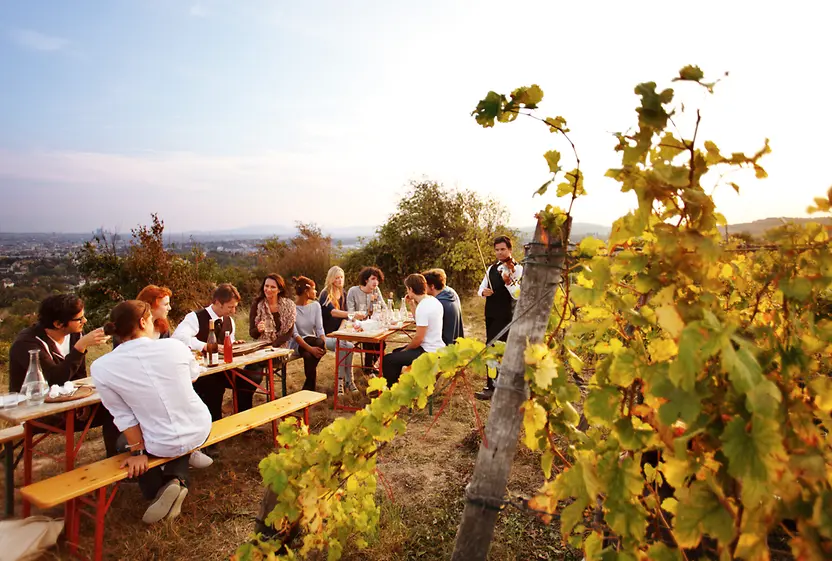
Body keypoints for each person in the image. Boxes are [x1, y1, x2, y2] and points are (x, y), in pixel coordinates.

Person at [92, 300, 212, 524]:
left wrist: (137, 453)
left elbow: (123, 416)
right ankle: (177, 479)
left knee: (122, 445)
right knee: (175, 437)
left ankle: (158, 489)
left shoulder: (101, 367)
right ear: (143, 321)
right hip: (200, 427)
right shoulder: (175, 346)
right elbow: (193, 374)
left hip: (161, 442)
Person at [9, 294, 119, 457]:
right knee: (114, 409)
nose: (85, 321)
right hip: (39, 410)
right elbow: (55, 379)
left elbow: (78, 376)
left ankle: (117, 459)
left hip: (70, 403)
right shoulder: (28, 344)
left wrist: (84, 402)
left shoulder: (74, 334)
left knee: (118, 404)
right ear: (58, 323)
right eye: (79, 319)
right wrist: (80, 347)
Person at [172, 284, 254, 429]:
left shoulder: (230, 321)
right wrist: (204, 346)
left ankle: (244, 423)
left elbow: (227, 341)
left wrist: (234, 344)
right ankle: (214, 430)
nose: (234, 311)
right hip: (201, 372)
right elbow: (178, 338)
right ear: (217, 302)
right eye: (230, 307)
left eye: (235, 307)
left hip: (222, 368)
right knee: (214, 388)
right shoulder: (195, 317)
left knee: (249, 381)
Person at [475, 235, 523, 401]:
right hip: (491, 313)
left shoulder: (517, 269)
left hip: (507, 315)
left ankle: (501, 386)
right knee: (490, 348)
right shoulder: (491, 268)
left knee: (502, 350)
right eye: (497, 250)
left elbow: (517, 295)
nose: (500, 253)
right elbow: (480, 289)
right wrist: (484, 292)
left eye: (503, 249)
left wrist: (508, 281)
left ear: (510, 249)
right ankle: (491, 384)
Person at [380, 274, 446, 387]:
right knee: (396, 353)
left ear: (410, 289)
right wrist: (411, 304)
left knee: (388, 360)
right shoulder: (433, 301)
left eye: (407, 288)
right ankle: (400, 385)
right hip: (438, 347)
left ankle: (392, 392)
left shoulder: (423, 307)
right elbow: (421, 321)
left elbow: (418, 339)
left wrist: (405, 349)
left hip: (428, 351)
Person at [319, 266, 356, 395]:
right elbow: (334, 313)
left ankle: (349, 380)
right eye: (337, 277)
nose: (340, 280)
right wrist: (352, 314)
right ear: (331, 279)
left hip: (339, 334)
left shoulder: (343, 293)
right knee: (342, 345)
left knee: (349, 346)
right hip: (325, 335)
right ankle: (340, 382)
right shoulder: (325, 294)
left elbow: (345, 317)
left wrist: (340, 331)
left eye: (341, 277)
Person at [346, 266, 385, 374]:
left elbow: (383, 307)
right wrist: (360, 317)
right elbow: (351, 312)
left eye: (377, 279)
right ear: (366, 279)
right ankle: (369, 369)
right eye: (373, 279)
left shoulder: (376, 290)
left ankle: (372, 366)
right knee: (370, 342)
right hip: (357, 325)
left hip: (372, 325)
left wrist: (375, 302)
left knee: (382, 342)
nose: (376, 282)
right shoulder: (353, 291)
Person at [290, 276, 326, 392]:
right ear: (306, 291)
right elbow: (295, 335)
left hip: (313, 342)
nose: (315, 292)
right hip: (297, 345)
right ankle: (309, 388)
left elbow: (319, 329)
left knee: (310, 354)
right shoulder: (291, 309)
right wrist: (311, 349)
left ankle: (308, 388)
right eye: (314, 289)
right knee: (311, 350)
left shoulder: (315, 305)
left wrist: (323, 344)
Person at [249, 274, 296, 348]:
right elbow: (252, 334)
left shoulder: (289, 306)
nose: (268, 289)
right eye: (266, 286)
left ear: (279, 290)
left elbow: (288, 334)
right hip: (261, 349)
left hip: (280, 349)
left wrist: (273, 346)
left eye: (273, 287)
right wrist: (258, 330)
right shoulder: (256, 305)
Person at [422, 269, 464, 345]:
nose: (423, 289)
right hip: (457, 342)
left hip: (443, 347)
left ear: (432, 286)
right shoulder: (451, 292)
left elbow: (424, 327)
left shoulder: (438, 303)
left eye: (425, 286)